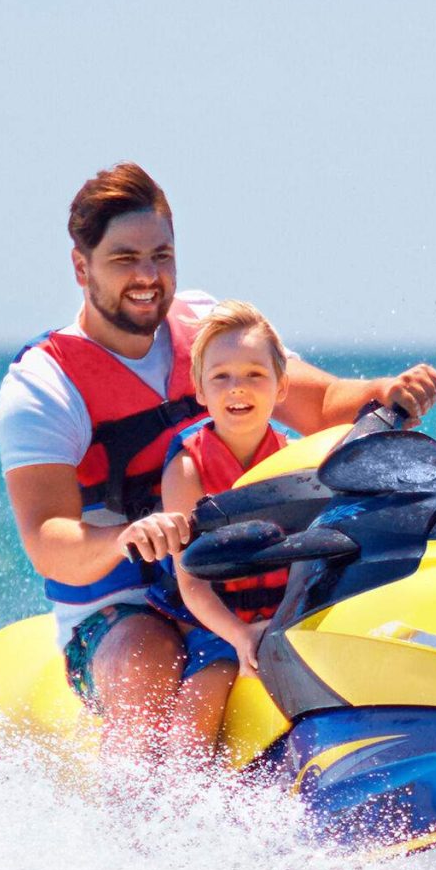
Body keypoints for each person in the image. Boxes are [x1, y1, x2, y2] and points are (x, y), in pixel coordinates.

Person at [0, 163, 436, 762]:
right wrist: (130, 536)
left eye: (162, 255)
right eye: (125, 258)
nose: (149, 277)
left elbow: (318, 402)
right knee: (148, 670)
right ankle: (141, 837)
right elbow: (47, 540)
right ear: (82, 267)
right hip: (123, 605)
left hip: (242, 573)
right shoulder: (44, 385)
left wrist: (388, 391)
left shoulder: (210, 330)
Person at [147, 301, 295, 761]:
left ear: (281, 384)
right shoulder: (188, 466)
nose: (239, 388)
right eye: (221, 377)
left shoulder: (295, 461)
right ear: (200, 390)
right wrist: (240, 636)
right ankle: (181, 810)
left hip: (284, 615)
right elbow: (191, 582)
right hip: (215, 620)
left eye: (255, 374)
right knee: (199, 707)